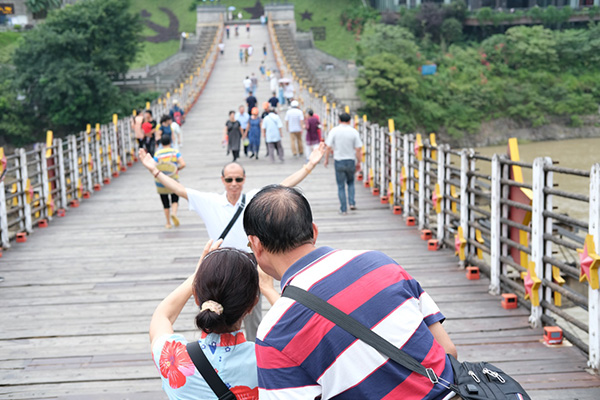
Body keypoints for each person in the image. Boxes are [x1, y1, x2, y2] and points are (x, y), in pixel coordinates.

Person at [243, 185, 458, 400]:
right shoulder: (380, 263)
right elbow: (447, 350)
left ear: (256, 244)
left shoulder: (274, 333)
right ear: (314, 231)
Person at [138, 143, 327, 341]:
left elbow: (283, 186)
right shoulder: (211, 202)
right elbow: (179, 189)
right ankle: (212, 354)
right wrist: (154, 170)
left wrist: (309, 166)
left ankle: (254, 350)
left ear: (244, 180)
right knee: (217, 317)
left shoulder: (254, 199)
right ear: (223, 180)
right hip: (220, 270)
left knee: (254, 320)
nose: (234, 183)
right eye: (229, 179)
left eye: (238, 179)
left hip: (250, 267)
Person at [150, 239, 262, 399]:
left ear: (196, 297)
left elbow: (162, 315)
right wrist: (270, 290)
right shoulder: (267, 360)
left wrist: (197, 275)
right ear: (252, 305)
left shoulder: (173, 358)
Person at [324, 112, 363, 215]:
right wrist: (359, 161)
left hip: (339, 161)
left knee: (341, 186)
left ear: (339, 120)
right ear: (350, 121)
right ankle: (352, 203)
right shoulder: (354, 132)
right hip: (350, 160)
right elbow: (358, 149)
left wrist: (326, 159)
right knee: (351, 183)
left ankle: (343, 209)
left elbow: (328, 146)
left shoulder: (334, 131)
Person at [153, 135, 185, 229]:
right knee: (175, 197)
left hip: (161, 181)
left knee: (165, 201)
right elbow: (183, 164)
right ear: (170, 142)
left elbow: (153, 166)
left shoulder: (158, 154)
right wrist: (177, 169)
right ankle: (174, 213)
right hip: (173, 179)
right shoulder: (175, 152)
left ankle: (168, 223)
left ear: (161, 143)